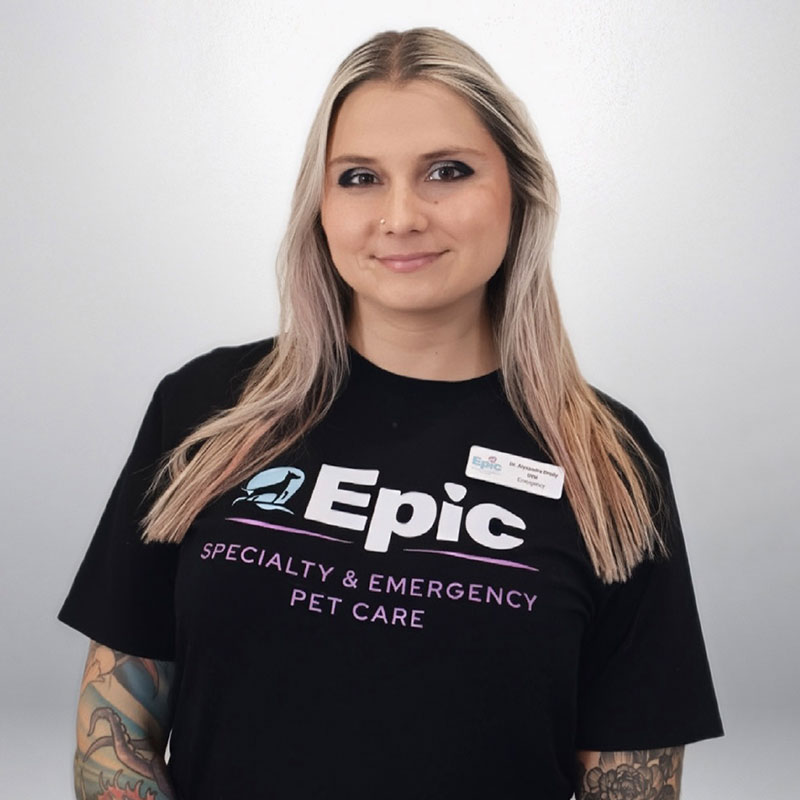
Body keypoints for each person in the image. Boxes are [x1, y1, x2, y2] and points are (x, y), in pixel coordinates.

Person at [58, 26, 723, 800]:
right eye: (360, 178)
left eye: (447, 171)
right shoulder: (208, 411)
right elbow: (118, 731)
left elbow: (632, 783)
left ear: (519, 190)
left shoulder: (611, 462)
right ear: (320, 205)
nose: (401, 216)